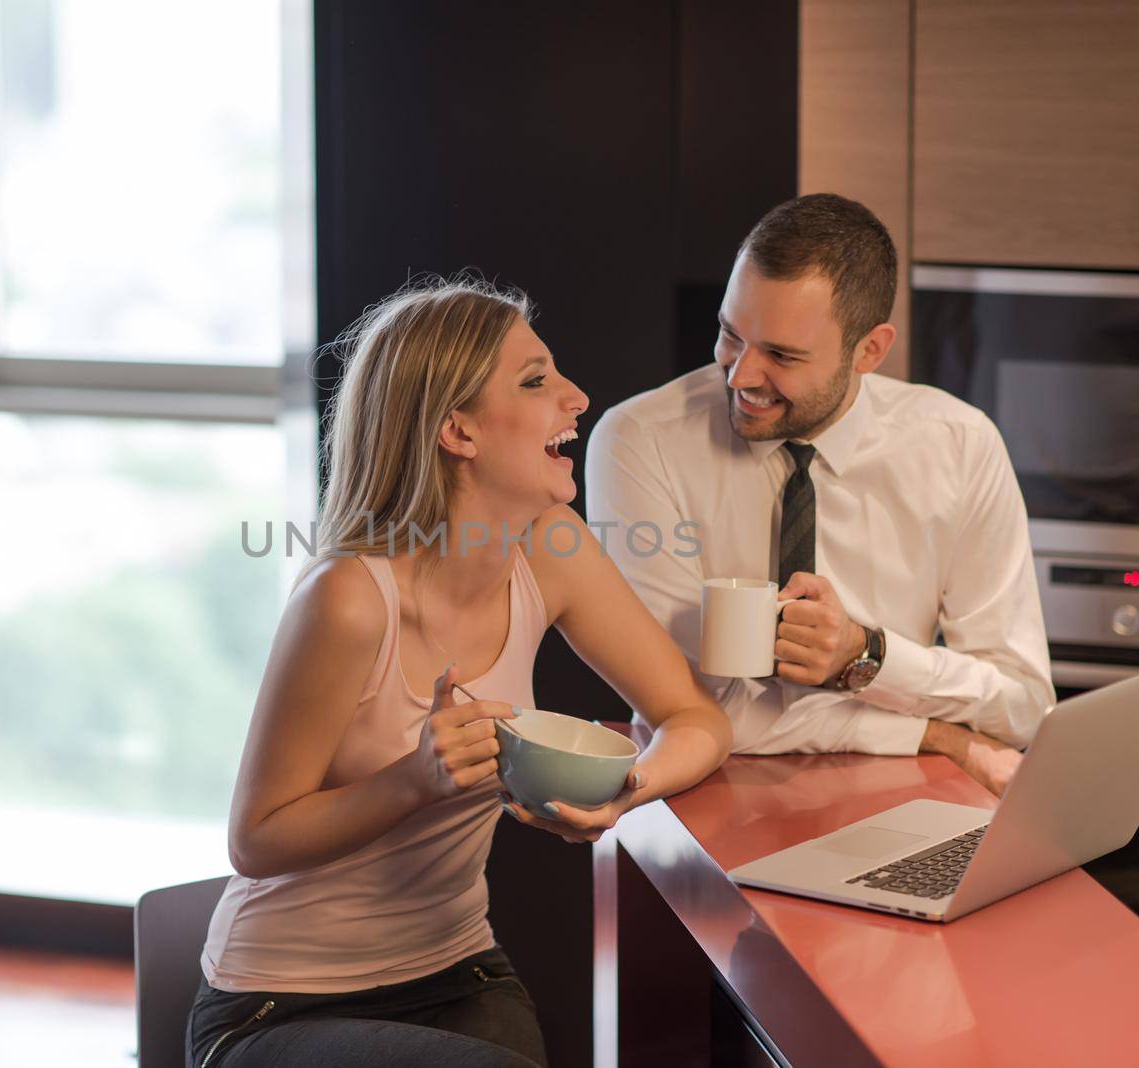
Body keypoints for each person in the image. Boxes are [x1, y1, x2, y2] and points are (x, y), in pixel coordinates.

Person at [190, 278, 733, 1067]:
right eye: (536, 380)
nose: (577, 398)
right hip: (279, 1002)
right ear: (458, 429)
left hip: (457, 968)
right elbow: (255, 839)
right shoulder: (348, 599)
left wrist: (627, 793)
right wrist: (414, 779)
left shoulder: (553, 548)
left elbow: (697, 718)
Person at [586, 193, 1054, 797]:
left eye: (781, 355)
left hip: (902, 803)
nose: (740, 375)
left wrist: (868, 653)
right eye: (731, 333)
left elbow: (1022, 707)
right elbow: (699, 716)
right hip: (703, 799)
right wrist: (937, 734)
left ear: (870, 351)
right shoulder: (638, 442)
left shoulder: (960, 446)